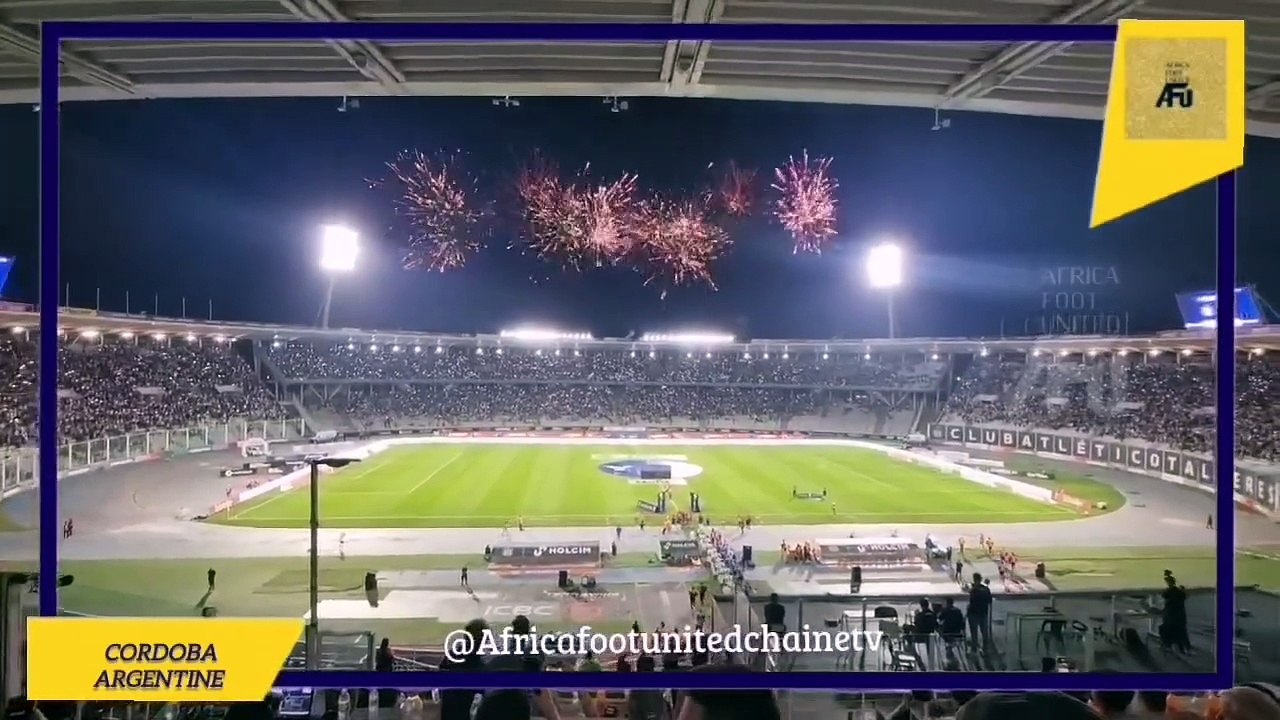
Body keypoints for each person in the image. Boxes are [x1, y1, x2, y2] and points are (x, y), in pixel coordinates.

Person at [966, 572, 993, 651]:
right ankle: (984, 648)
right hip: (983, 613)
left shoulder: (974, 589)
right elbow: (989, 600)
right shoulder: (985, 589)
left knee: (974, 632)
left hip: (974, 613)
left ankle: (974, 647)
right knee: (984, 631)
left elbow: (971, 596)